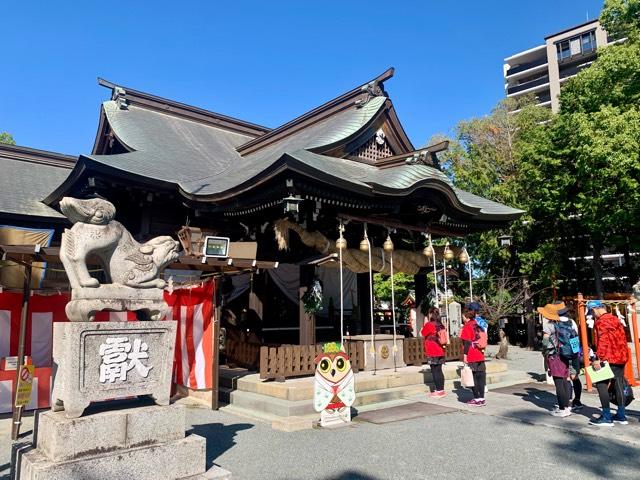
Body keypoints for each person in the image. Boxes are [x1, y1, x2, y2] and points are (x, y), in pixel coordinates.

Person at [587, 300, 629, 427]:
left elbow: (604, 341)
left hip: (608, 357)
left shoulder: (601, 322)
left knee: (601, 384)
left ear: (594, 310)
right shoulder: (616, 319)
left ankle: (606, 417)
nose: (593, 315)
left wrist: (598, 358)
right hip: (621, 356)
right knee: (618, 384)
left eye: (592, 312)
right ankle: (621, 415)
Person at [539, 303, 572, 417]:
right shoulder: (563, 323)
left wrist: (544, 351)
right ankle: (567, 407)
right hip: (564, 354)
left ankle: (562, 409)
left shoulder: (548, 325)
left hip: (554, 355)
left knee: (558, 383)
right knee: (564, 381)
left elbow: (545, 341)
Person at [552, 301, 584, 411]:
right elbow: (576, 337)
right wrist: (576, 353)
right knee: (575, 377)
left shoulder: (555, 323)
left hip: (560, 353)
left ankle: (566, 401)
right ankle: (577, 400)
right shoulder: (571, 322)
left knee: (564, 377)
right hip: (573, 351)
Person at [460, 309, 486, 406]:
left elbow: (466, 343)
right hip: (480, 353)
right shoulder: (479, 326)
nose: (462, 319)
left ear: (467, 317)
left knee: (473, 377)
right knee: (481, 377)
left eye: (463, 317)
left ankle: (476, 398)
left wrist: (465, 355)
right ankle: (482, 398)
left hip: (472, 353)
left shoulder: (467, 326)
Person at [421, 308, 447, 397]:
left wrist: (425, 323)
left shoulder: (429, 324)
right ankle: (441, 389)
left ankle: (438, 391)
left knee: (435, 371)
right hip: (440, 349)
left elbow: (423, 333)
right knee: (439, 370)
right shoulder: (441, 325)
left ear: (431, 314)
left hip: (432, 350)